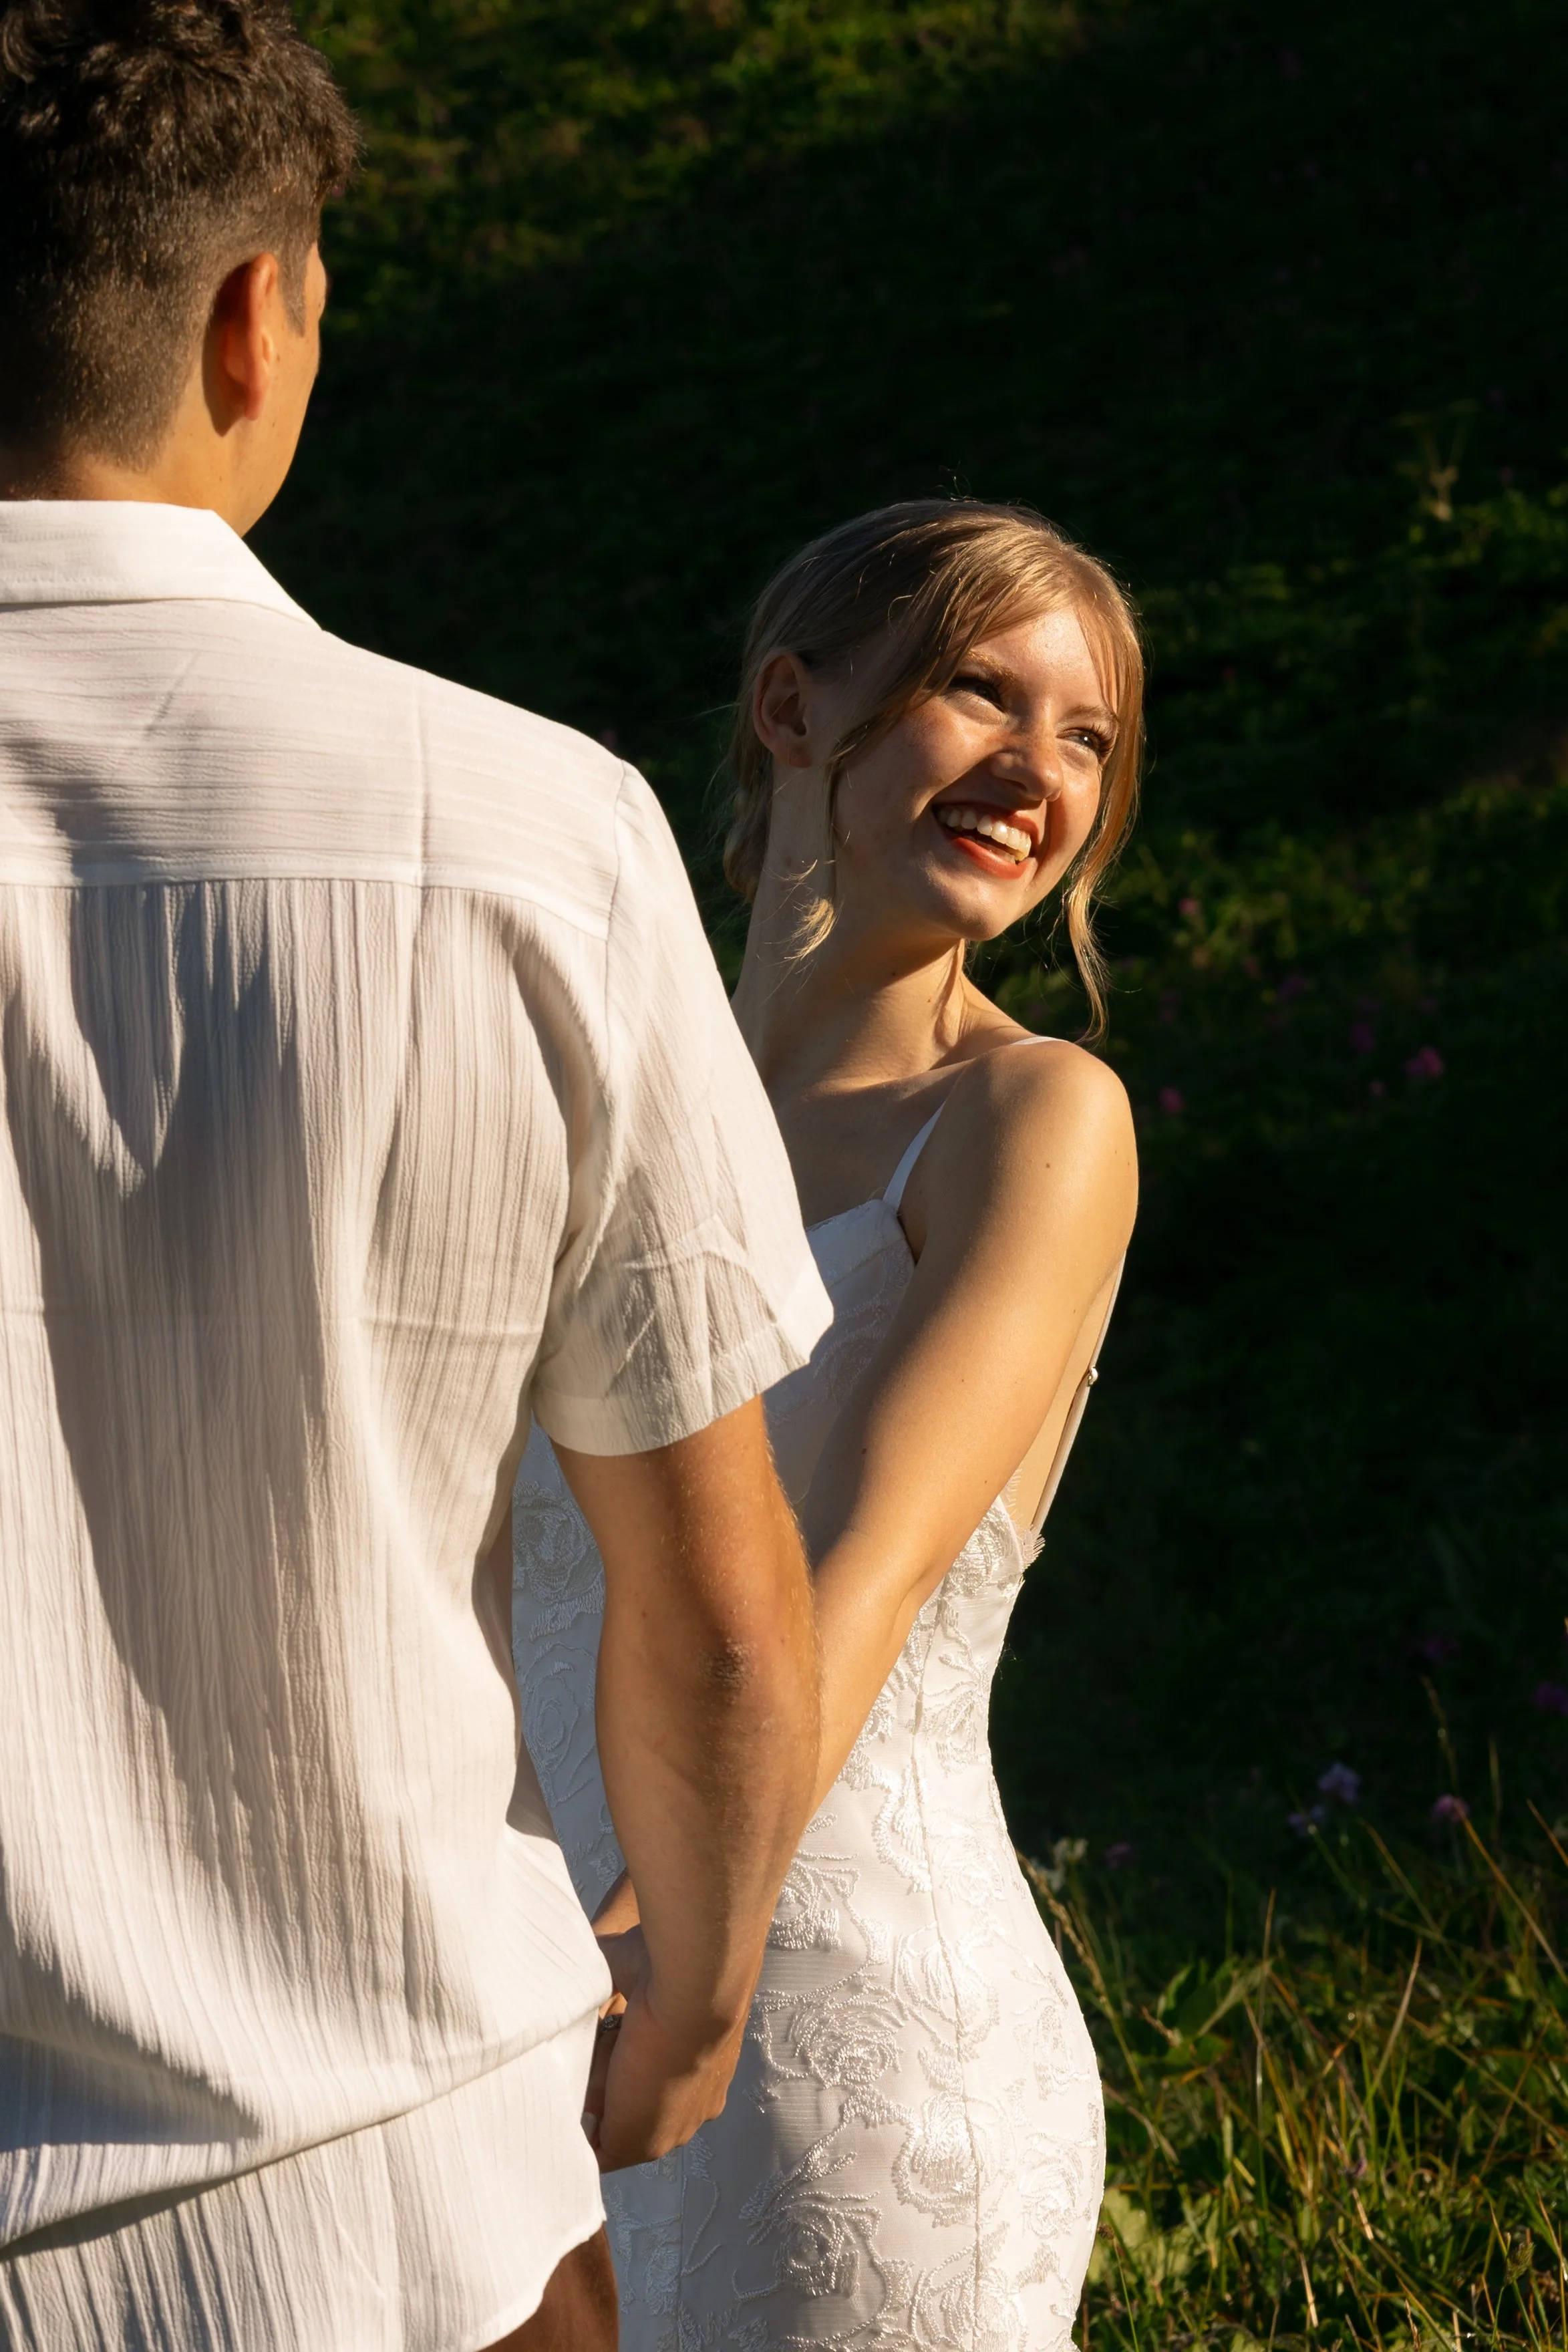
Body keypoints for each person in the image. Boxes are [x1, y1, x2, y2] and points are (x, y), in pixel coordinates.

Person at [0, 3, 831, 2347]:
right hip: (398, 2223)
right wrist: (686, 1996)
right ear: (257, 315)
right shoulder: (530, 835)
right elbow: (718, 1600)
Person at [513, 498, 1143, 2349]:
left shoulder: (1033, 1124)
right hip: (522, 2044)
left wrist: (664, 1935)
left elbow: (852, 1578)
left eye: (1089, 736)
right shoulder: (587, 1108)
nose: (1040, 771)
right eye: (979, 692)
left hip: (836, 2051)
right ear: (791, 708)